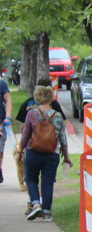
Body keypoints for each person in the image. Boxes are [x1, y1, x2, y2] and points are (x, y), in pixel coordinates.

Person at [20, 84, 72, 222]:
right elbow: (63, 139)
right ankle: (47, 212)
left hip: (33, 152)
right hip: (52, 153)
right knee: (48, 182)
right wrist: (66, 157)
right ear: (51, 98)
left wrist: (20, 150)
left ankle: (36, 203)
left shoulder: (31, 114)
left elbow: (25, 134)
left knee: (30, 178)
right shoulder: (58, 115)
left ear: (37, 97)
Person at [0, 74, 10, 184]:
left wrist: (7, 117)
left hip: (0, 121)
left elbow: (8, 100)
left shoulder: (1, 83)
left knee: (0, 150)